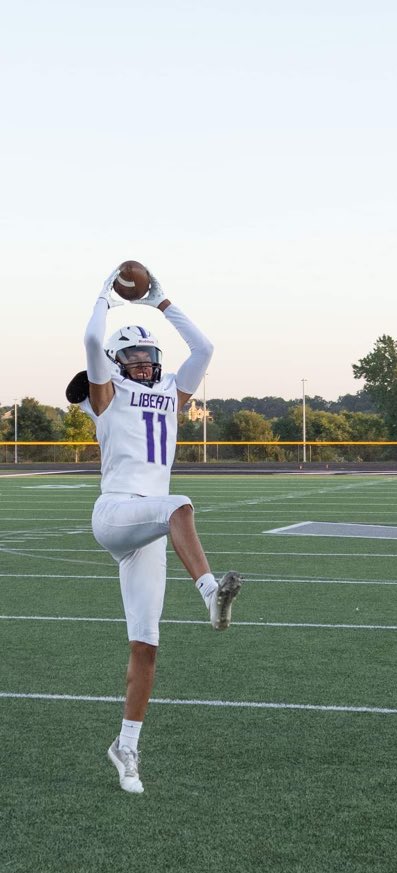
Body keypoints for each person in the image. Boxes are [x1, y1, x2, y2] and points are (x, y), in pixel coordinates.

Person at [75, 266, 241, 795]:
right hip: (117, 512)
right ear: (116, 365)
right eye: (133, 358)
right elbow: (92, 338)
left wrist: (162, 301)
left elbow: (206, 348)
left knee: (146, 645)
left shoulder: (172, 393)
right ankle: (211, 590)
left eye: (149, 357)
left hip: (147, 529)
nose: (143, 364)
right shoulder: (106, 395)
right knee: (181, 507)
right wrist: (106, 294)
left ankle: (126, 746)